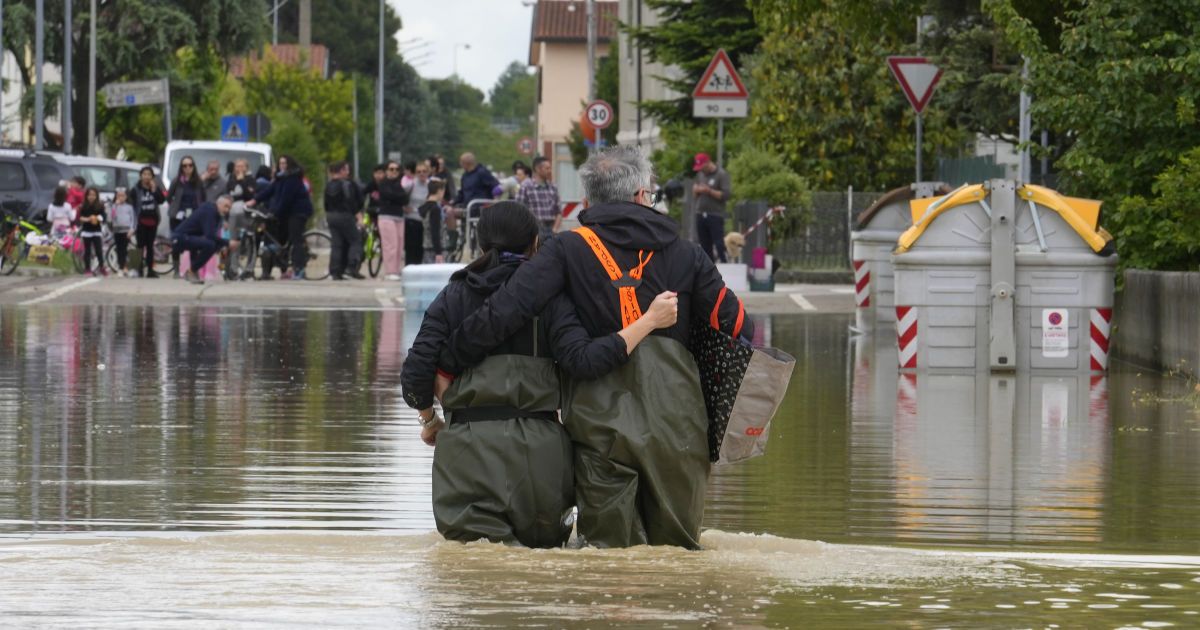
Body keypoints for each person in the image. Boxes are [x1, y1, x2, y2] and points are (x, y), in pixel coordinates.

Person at [435, 145, 750, 550]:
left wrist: (448, 362)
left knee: (608, 559)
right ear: (641, 196)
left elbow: (505, 311)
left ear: (587, 201)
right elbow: (738, 325)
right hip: (678, 423)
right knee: (678, 554)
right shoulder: (686, 253)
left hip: (600, 423)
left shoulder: (566, 249)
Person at [401, 200, 680, 548]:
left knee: (470, 575)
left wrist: (430, 420)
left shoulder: (452, 296)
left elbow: (415, 374)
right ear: (535, 243)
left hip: (466, 449)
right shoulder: (552, 300)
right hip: (541, 458)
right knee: (542, 567)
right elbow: (585, 361)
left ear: (480, 241)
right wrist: (650, 321)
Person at [250, 155, 313, 280]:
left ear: (290, 165)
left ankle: (299, 269)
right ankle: (284, 267)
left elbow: (286, 199)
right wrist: (254, 200)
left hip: (298, 212)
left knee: (296, 240)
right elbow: (269, 190)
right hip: (288, 212)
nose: (282, 166)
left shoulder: (293, 178)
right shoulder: (280, 178)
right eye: (280, 163)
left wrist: (275, 213)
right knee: (282, 240)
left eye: (284, 163)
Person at [172, 195, 232, 285]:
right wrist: (227, 243)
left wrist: (223, 244)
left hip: (189, 236)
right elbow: (209, 235)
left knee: (213, 244)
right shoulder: (210, 211)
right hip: (179, 238)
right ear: (218, 204)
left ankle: (193, 272)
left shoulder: (216, 213)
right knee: (210, 244)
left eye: (229, 208)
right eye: (225, 206)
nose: (227, 210)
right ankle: (191, 271)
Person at [324, 161, 364, 281]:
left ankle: (335, 271)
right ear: (341, 171)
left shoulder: (329, 185)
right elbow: (351, 202)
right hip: (345, 215)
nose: (348, 172)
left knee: (336, 244)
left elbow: (325, 204)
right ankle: (350, 268)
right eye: (346, 170)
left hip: (331, 215)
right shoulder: (346, 185)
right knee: (355, 240)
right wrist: (358, 216)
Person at [167, 155, 205, 275]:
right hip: (178, 216)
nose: (187, 168)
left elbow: (203, 198)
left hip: (194, 216)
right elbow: (168, 197)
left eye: (190, 165)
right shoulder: (177, 181)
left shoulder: (198, 182)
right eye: (184, 165)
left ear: (193, 166)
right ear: (181, 168)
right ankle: (176, 270)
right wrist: (176, 207)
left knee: (194, 243)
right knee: (176, 242)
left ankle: (193, 270)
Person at [691, 152, 732, 263]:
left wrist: (709, 191)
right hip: (700, 213)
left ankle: (725, 265)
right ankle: (709, 269)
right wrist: (696, 190)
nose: (700, 170)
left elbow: (726, 195)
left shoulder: (721, 174)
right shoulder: (700, 175)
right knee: (704, 245)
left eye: (702, 167)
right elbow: (695, 195)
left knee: (719, 243)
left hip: (715, 214)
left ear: (708, 163)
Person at [131, 166, 166, 278]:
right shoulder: (135, 189)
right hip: (140, 221)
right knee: (140, 245)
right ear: (141, 176)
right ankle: (138, 269)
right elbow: (132, 205)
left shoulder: (155, 187)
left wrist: (154, 190)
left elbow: (161, 200)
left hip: (152, 220)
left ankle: (150, 270)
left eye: (149, 174)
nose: (146, 177)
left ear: (152, 177)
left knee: (150, 246)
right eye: (144, 174)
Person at [224, 159, 257, 280]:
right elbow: (228, 194)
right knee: (233, 241)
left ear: (246, 167)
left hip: (246, 213)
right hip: (233, 213)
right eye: (237, 166)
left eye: (242, 166)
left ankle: (249, 268)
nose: (239, 168)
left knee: (249, 241)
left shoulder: (250, 179)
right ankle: (233, 268)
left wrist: (242, 180)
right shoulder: (231, 179)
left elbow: (250, 195)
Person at [376, 160, 409, 280]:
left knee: (400, 245)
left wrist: (397, 197)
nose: (394, 171)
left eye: (396, 169)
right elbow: (389, 195)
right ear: (386, 171)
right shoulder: (383, 183)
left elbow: (405, 199)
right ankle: (390, 271)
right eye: (391, 169)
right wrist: (398, 197)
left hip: (399, 217)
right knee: (391, 245)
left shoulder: (399, 184)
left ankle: (395, 270)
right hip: (386, 217)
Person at [517, 156, 561, 241]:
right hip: (532, 231)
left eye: (550, 168)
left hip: (550, 231)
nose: (550, 171)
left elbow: (558, 212)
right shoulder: (526, 187)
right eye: (547, 168)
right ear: (538, 169)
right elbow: (518, 211)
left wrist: (555, 229)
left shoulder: (553, 187)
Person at [405, 162, 432, 266]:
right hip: (411, 220)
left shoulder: (431, 185)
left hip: (426, 222)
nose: (421, 174)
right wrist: (404, 208)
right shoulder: (410, 185)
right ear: (415, 173)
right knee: (411, 248)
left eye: (424, 171)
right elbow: (401, 197)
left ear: (428, 172)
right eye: (419, 172)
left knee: (422, 248)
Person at [77, 186, 108, 277]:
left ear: (96, 196)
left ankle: (101, 266)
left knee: (99, 249)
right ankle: (87, 268)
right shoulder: (83, 206)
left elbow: (103, 217)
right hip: (86, 231)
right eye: (89, 195)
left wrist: (97, 218)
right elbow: (81, 218)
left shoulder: (100, 206)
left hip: (96, 231)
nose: (91, 197)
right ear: (86, 196)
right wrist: (88, 219)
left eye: (94, 195)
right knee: (87, 251)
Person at [110, 187, 136, 277]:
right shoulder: (113, 206)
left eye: (123, 196)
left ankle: (126, 267)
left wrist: (132, 229)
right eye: (119, 196)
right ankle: (120, 268)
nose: (121, 198)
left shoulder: (129, 207)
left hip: (126, 231)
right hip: (117, 230)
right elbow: (112, 217)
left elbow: (133, 219)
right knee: (119, 249)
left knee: (125, 250)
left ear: (126, 197)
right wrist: (115, 206)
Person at [420, 180, 446, 264]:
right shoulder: (435, 209)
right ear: (439, 191)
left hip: (426, 245)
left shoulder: (423, 207)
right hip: (435, 248)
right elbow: (435, 231)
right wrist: (438, 252)